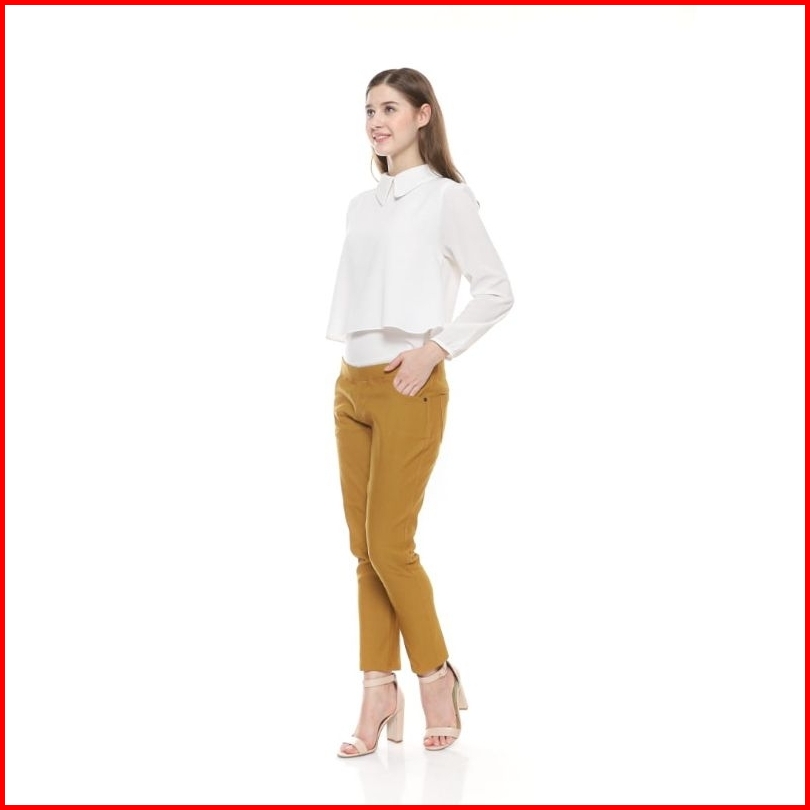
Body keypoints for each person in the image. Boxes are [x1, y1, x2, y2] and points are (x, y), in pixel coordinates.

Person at [326, 67, 514, 758]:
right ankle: (378, 688)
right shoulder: (362, 204)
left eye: (391, 109)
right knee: (364, 551)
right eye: (369, 110)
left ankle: (436, 677)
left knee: (390, 545)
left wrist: (436, 349)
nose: (377, 122)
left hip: (410, 386)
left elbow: (496, 290)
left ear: (423, 116)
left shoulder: (446, 198)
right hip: (351, 385)